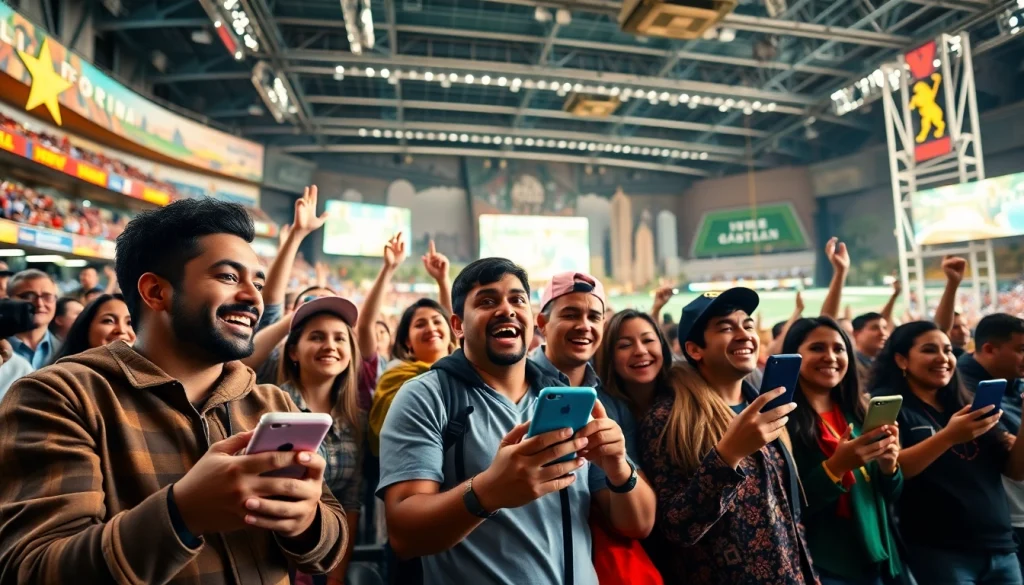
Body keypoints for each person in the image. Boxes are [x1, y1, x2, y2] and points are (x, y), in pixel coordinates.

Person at [0, 198, 346, 584]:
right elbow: (32, 570)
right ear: (155, 292)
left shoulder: (271, 403)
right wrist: (182, 513)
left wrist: (308, 520)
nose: (254, 298)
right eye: (230, 277)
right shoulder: (61, 398)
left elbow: (329, 546)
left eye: (258, 282)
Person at [377, 258, 652, 585]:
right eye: (487, 301)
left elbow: (638, 524)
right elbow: (404, 536)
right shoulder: (426, 396)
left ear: (531, 320)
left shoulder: (566, 400)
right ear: (458, 325)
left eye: (517, 299)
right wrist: (487, 492)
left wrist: (619, 469)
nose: (506, 309)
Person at [639, 288, 818, 585]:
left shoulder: (763, 406)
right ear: (695, 349)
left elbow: (788, 519)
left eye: (747, 324)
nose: (743, 333)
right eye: (725, 327)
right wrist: (727, 456)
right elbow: (677, 529)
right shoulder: (669, 419)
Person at [871, 321, 1024, 584]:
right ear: (901, 359)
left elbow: (1014, 470)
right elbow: (894, 470)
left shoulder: (968, 404)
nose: (943, 358)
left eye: (948, 350)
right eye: (930, 350)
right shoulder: (888, 406)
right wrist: (949, 436)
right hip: (939, 550)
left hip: (999, 546)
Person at [783, 317, 903, 585]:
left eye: (839, 349)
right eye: (816, 348)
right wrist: (835, 467)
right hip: (826, 564)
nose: (830, 357)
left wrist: (889, 466)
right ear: (794, 355)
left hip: (878, 557)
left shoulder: (859, 412)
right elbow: (787, 506)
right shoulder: (782, 422)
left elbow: (890, 494)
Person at [277, 296, 368, 584]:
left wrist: (336, 577)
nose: (330, 345)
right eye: (317, 337)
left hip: (325, 562)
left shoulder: (357, 421)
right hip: (273, 563)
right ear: (294, 351)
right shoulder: (268, 404)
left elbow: (350, 504)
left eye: (340, 338)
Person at [957, 313, 1024, 570]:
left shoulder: (1012, 379)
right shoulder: (966, 388)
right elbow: (1013, 460)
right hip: (1003, 520)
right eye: (1020, 349)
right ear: (988, 349)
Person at [47, 293, 135, 363]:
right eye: (108, 321)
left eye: (129, 322)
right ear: (86, 328)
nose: (122, 330)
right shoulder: (61, 379)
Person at [5, 269, 60, 369]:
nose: (39, 303)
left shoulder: (68, 352)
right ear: (8, 300)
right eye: (29, 296)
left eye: (47, 296)